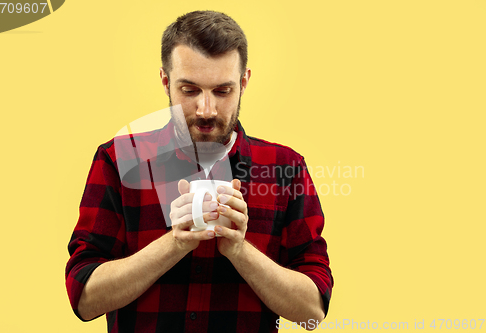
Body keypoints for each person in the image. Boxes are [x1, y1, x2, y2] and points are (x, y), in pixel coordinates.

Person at [65, 10, 333, 333]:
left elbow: (313, 311)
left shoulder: (285, 169)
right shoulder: (121, 159)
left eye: (222, 91)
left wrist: (239, 250)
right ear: (165, 81)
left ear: (244, 82)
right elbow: (83, 299)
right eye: (189, 90)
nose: (206, 110)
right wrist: (174, 244)